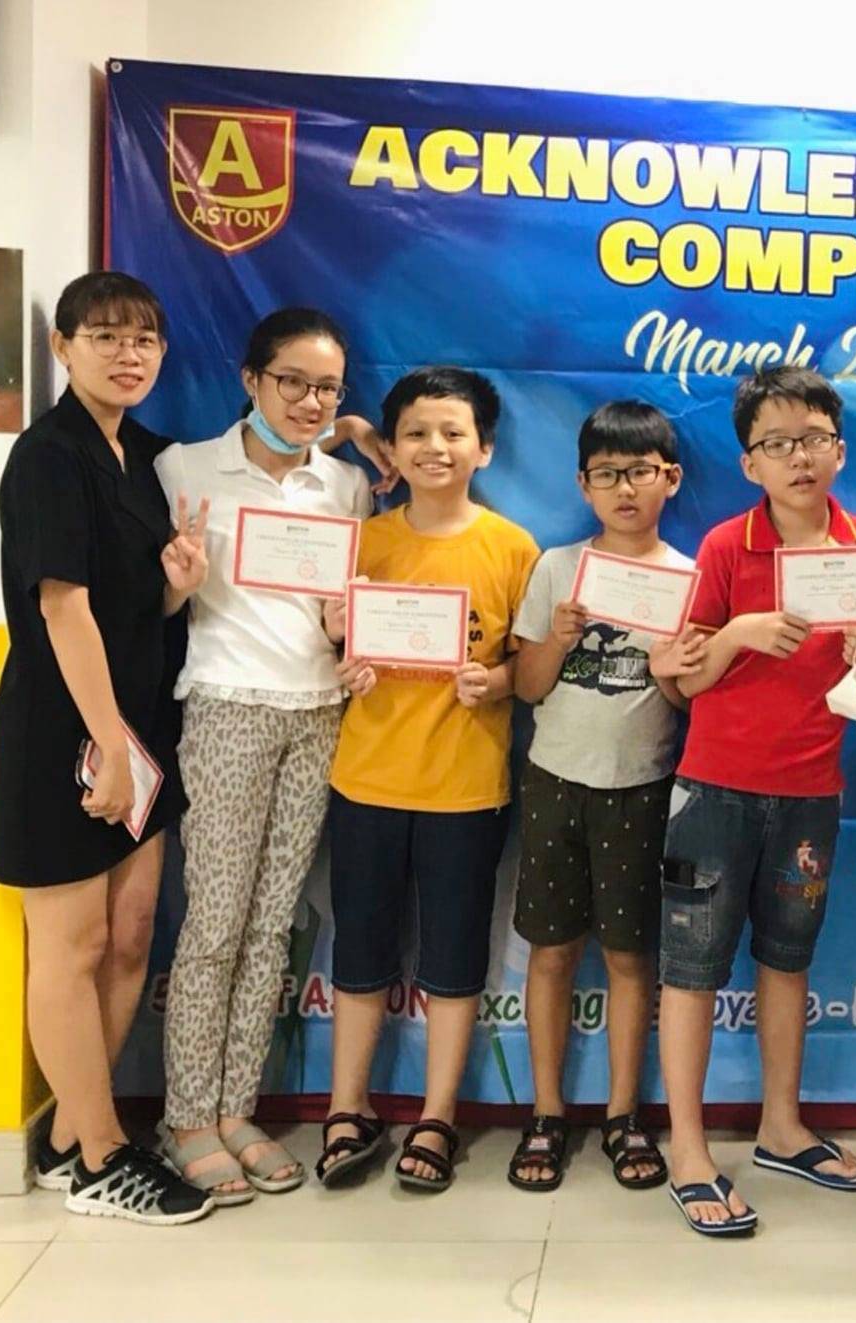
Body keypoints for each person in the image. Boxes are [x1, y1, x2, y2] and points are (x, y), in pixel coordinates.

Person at [0, 271, 214, 1224]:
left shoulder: (145, 456)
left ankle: (75, 1133)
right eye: (107, 336)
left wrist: (177, 585)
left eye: (145, 338)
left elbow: (133, 604)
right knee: (71, 944)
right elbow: (63, 608)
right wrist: (108, 745)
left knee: (130, 934)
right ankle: (102, 1157)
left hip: (141, 729)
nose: (129, 354)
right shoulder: (50, 456)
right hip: (66, 732)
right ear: (63, 346)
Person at [150, 308, 374, 1206]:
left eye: (327, 388)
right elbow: (156, 608)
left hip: (318, 713)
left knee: (273, 922)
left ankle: (236, 1109)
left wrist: (348, 631)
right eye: (293, 382)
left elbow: (339, 608)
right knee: (213, 926)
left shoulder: (345, 484)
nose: (310, 401)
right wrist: (176, 589)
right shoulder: (184, 468)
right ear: (251, 380)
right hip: (226, 707)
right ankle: (186, 1119)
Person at [657, 365, 856, 1236]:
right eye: (778, 444)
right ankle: (688, 1147)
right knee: (691, 968)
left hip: (811, 792)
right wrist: (741, 634)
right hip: (713, 788)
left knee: (788, 959)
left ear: (840, 450)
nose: (799, 457)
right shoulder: (726, 546)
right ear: (750, 462)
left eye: (814, 439)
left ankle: (782, 1127)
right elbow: (684, 679)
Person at [313, 366, 540, 1193]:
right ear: (393, 447)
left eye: (453, 432)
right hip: (366, 781)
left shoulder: (513, 548)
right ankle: (347, 1106)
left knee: (453, 959)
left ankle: (438, 1113)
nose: (434, 446)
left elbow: (529, 667)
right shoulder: (364, 540)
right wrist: (342, 651)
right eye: (415, 432)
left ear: (485, 448)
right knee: (360, 952)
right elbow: (331, 646)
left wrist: (497, 681)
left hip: (465, 790)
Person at [504, 401, 706, 1192]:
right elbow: (527, 687)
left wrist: (669, 671)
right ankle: (547, 1112)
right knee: (552, 951)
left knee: (629, 955)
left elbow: (689, 701)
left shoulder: (687, 577)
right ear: (583, 484)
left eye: (641, 472)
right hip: (555, 779)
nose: (626, 488)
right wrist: (556, 637)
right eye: (608, 474)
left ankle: (624, 1114)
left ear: (671, 478)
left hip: (642, 787)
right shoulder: (558, 568)